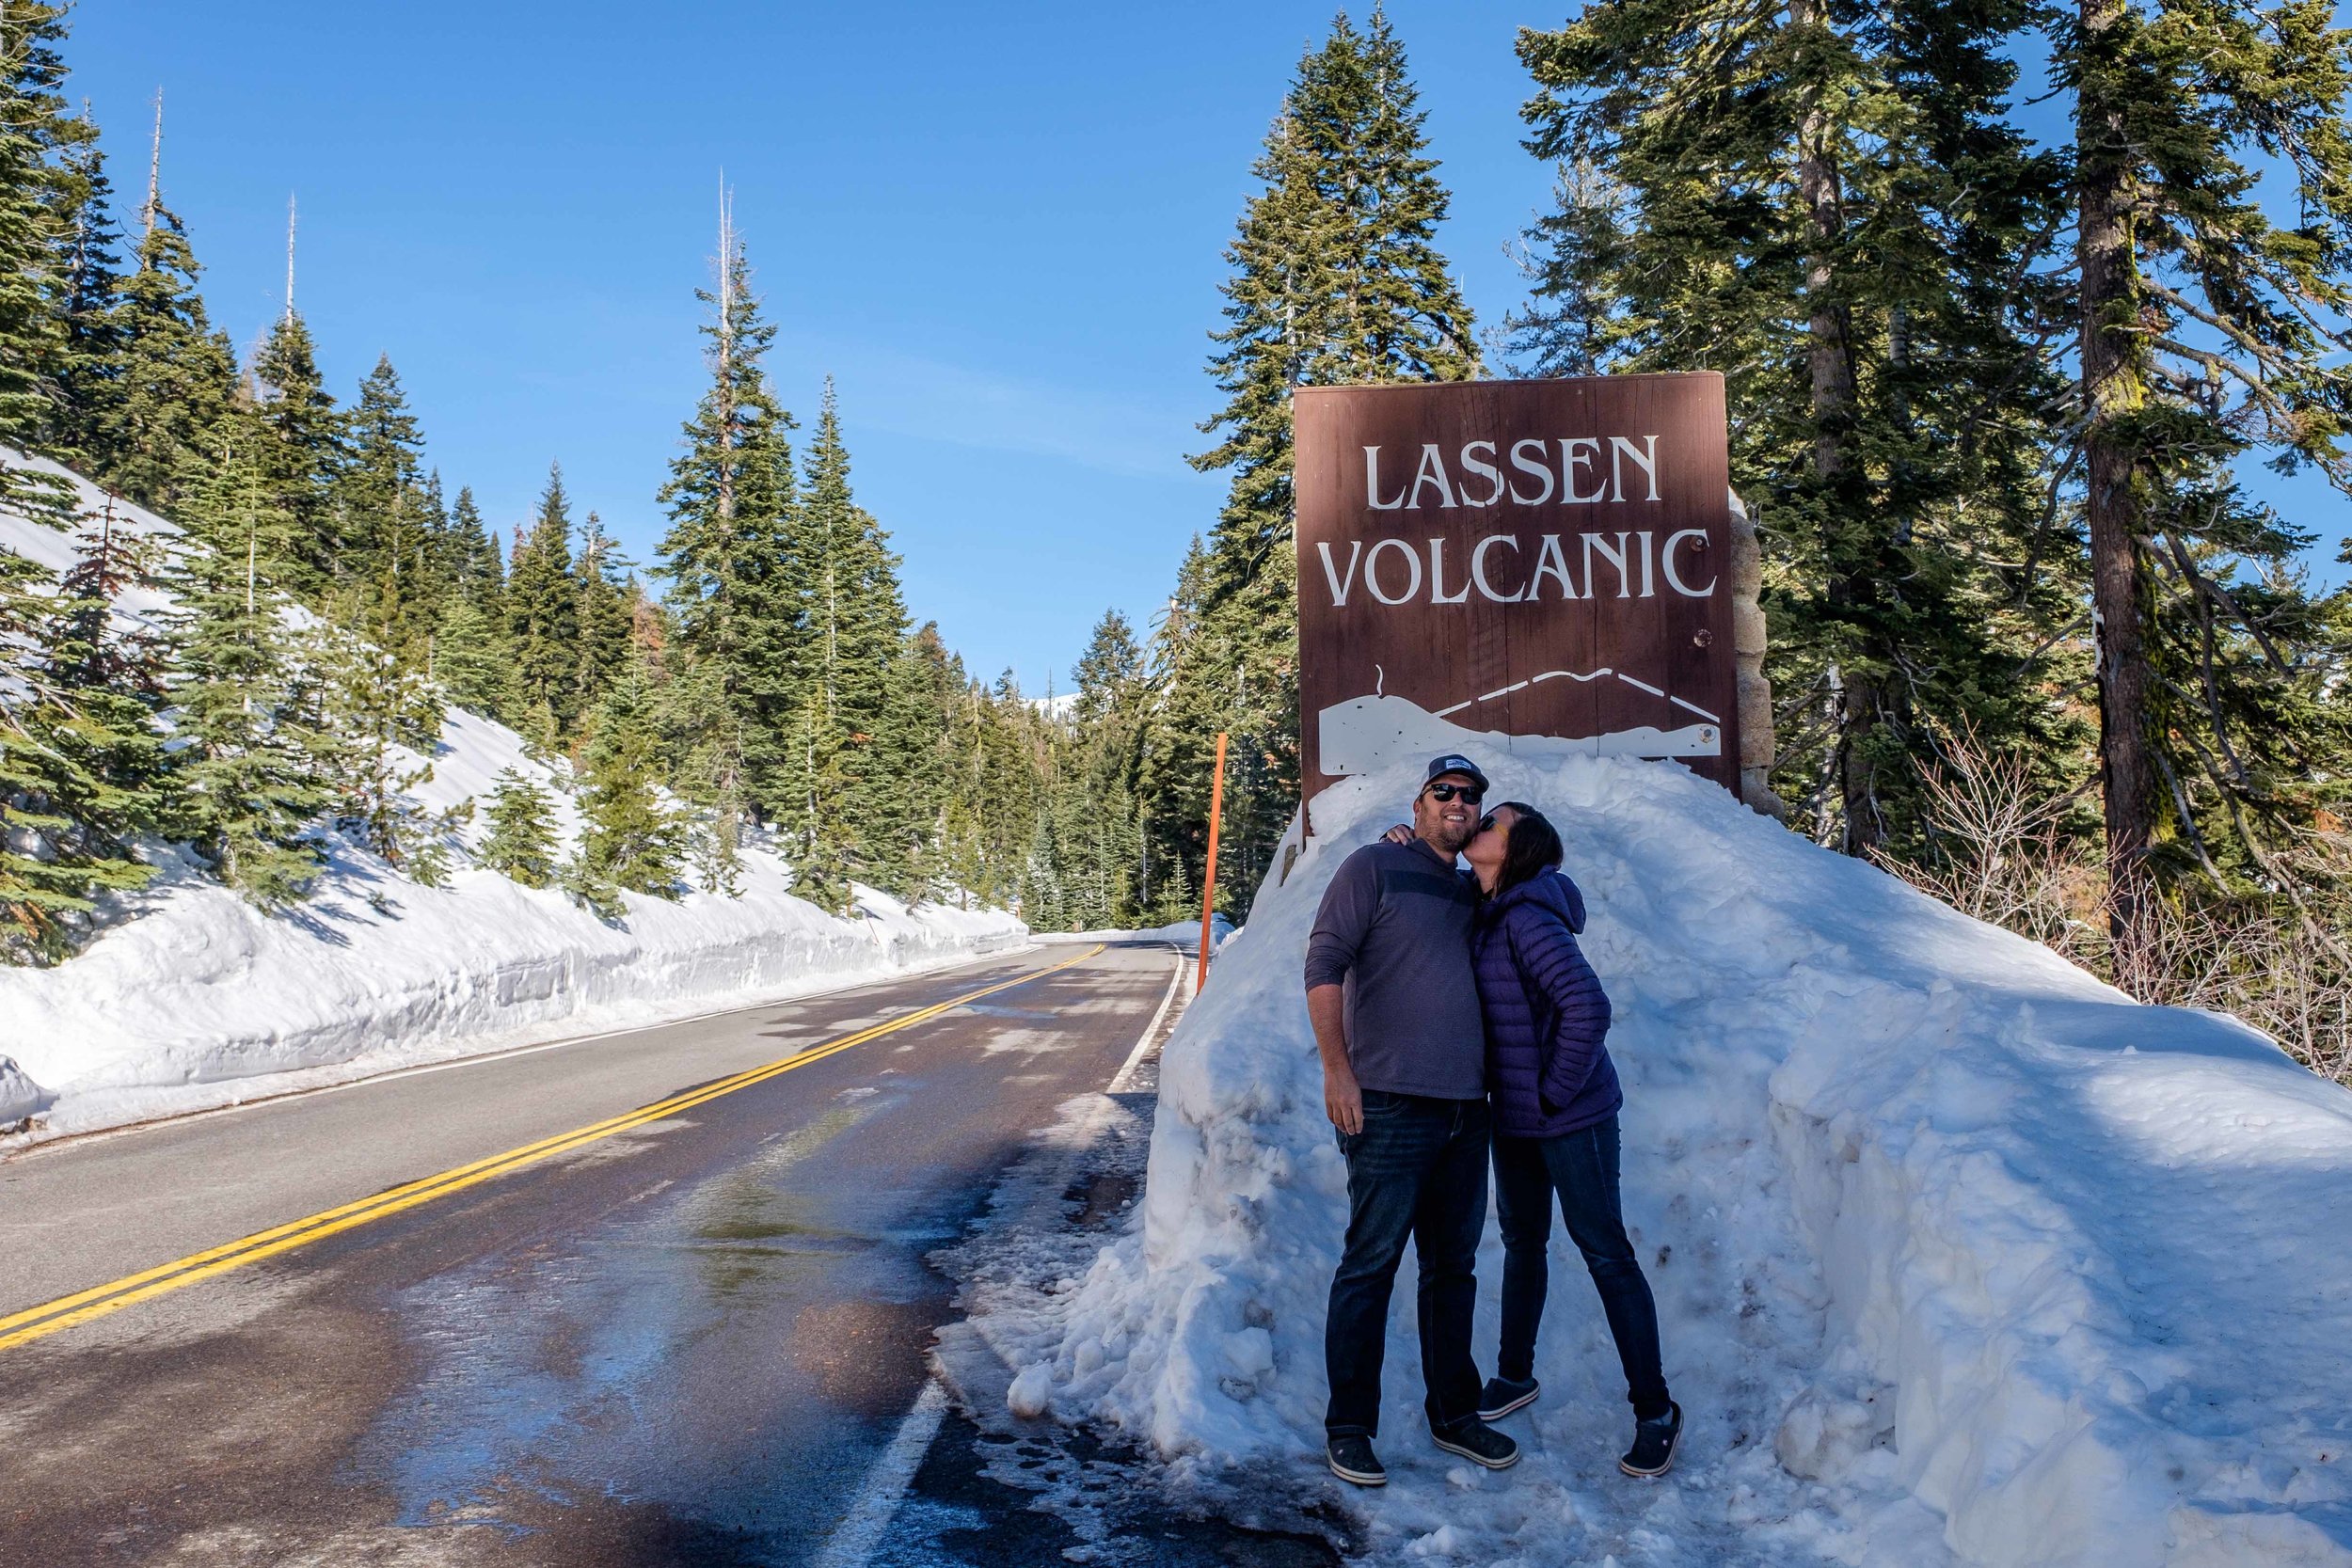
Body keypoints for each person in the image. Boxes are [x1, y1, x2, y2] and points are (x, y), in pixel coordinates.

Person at [1305, 754, 1520, 1488]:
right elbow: (1324, 963)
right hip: (1390, 1104)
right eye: (1445, 792)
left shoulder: (1472, 891)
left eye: (1471, 796)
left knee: (1452, 1269)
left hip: (1467, 1109)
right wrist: (1338, 1071)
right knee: (1370, 1266)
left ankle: (1454, 1414)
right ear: (1420, 801)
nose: (1460, 803)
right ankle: (1349, 1427)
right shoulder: (1372, 866)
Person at [1463, 800, 1680, 1478]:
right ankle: (1515, 1374)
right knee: (1524, 1241)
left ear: (1519, 848)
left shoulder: (1526, 919)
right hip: (1519, 1119)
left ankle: (1656, 1410)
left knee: (1605, 1251)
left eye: (1493, 823)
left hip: (1571, 1114)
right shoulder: (1491, 910)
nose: (1479, 827)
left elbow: (1589, 1006)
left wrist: (1553, 1091)